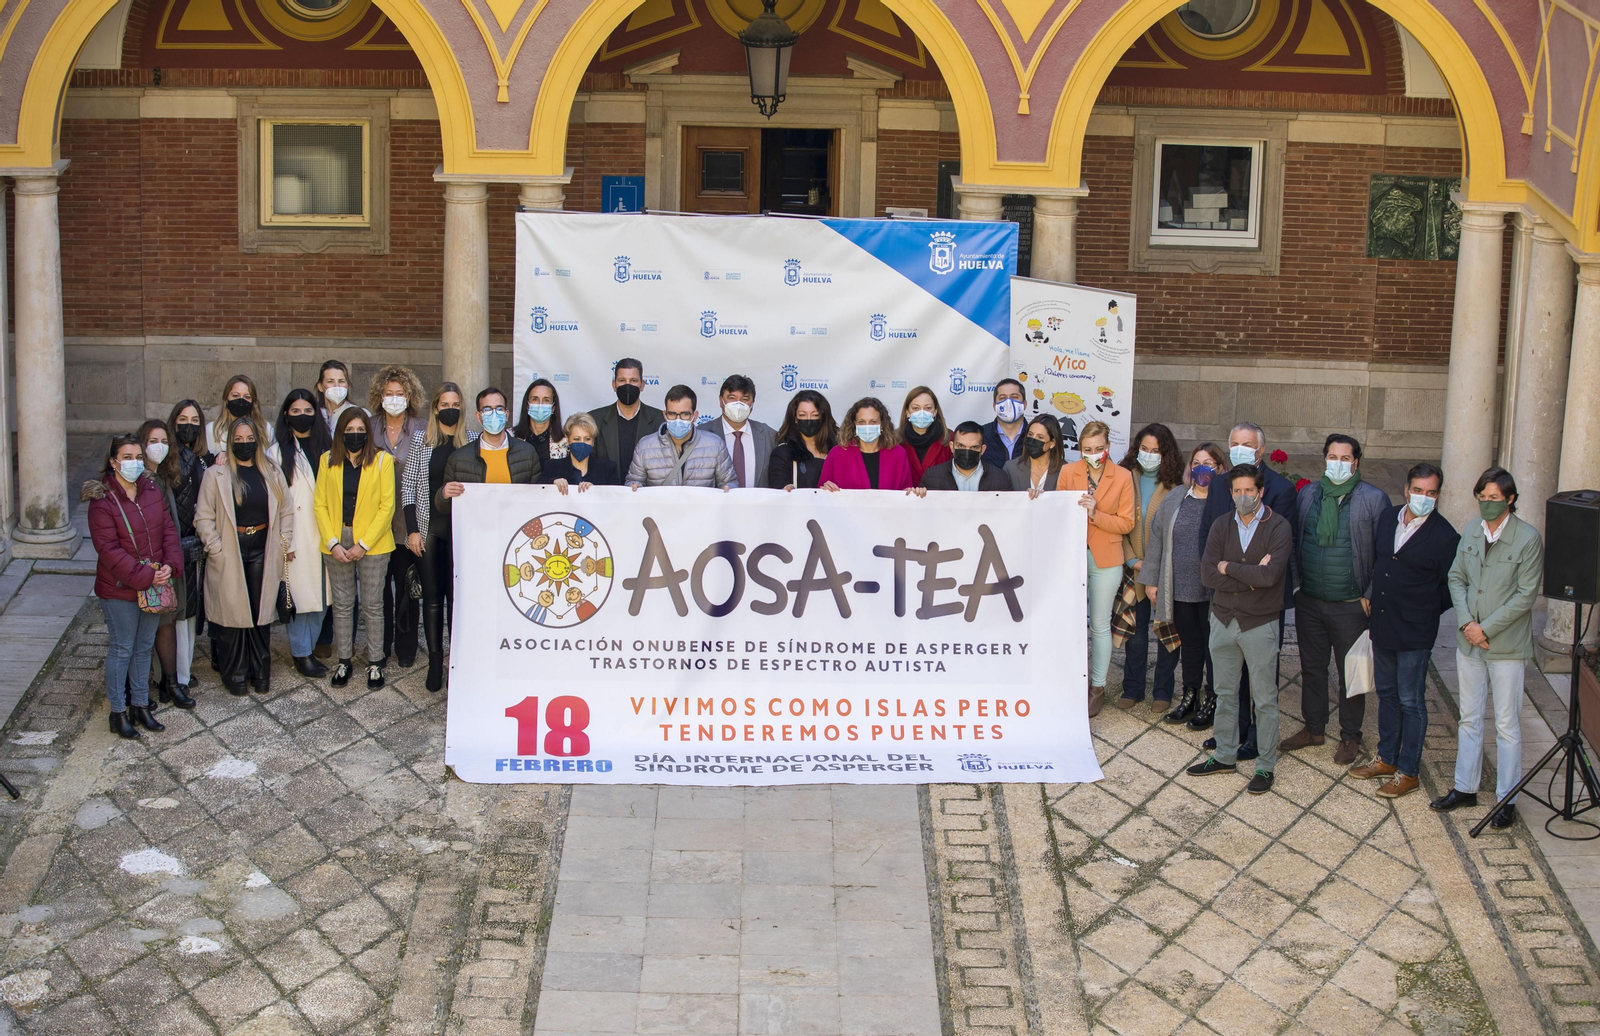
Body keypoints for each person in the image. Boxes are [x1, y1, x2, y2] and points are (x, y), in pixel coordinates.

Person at [1432, 467, 1544, 829]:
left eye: (1494, 498)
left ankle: (1506, 799)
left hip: (1506, 646)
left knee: (1507, 725)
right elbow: (1456, 577)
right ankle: (1465, 788)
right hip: (1470, 643)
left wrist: (1486, 629)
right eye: (1482, 497)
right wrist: (1468, 624)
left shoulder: (1528, 538)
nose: (1487, 503)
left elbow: (1525, 595)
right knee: (1469, 717)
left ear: (1510, 499)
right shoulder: (1470, 530)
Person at [1349, 463, 1458, 799]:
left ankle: (1409, 772)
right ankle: (1387, 759)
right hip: (1382, 623)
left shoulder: (1445, 536)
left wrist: (1422, 610)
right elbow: (1380, 562)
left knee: (1411, 701)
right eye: (1418, 490)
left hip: (1415, 631)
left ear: (1438, 495)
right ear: (1407, 489)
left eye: (1431, 492)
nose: (1424, 497)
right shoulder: (1388, 517)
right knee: (1387, 694)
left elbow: (1451, 587)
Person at [1279, 433, 1388, 765]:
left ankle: (1350, 735)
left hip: (1351, 605)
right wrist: (1297, 586)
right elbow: (1294, 542)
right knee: (1312, 669)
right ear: (1324, 458)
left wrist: (1369, 595)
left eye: (1345, 458)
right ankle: (1313, 728)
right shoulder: (1308, 494)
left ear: (1356, 462)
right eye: (1332, 457)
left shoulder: (1373, 499)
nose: (1337, 463)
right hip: (1311, 601)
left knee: (1350, 672)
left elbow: (1384, 554)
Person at [1185, 464, 1292, 795]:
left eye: (1249, 490)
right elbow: (1207, 575)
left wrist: (1228, 567)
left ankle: (1265, 765)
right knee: (1225, 692)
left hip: (1260, 623)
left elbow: (1270, 577)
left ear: (1260, 492)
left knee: (1265, 699)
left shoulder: (1278, 526)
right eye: (1237, 491)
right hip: (1222, 620)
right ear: (1230, 493)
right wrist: (1249, 575)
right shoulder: (1221, 524)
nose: (1243, 496)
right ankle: (1225, 755)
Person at [1197, 423, 1300, 753]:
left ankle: (1258, 735)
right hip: (1226, 600)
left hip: (1263, 603)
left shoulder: (1281, 489)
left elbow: (1273, 561)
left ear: (1261, 450)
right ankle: (1233, 731)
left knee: (1262, 672)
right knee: (1228, 673)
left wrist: (1229, 567)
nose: (1240, 449)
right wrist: (1222, 570)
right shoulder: (1219, 485)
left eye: (1247, 443)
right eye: (1235, 443)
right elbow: (1208, 538)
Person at [86, 434, 182, 738]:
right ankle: (118, 712)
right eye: (127, 457)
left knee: (143, 647)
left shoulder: (151, 488)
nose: (135, 463)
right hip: (120, 588)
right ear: (113, 462)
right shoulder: (102, 500)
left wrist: (170, 564)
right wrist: (146, 576)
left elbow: (168, 530)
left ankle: (140, 706)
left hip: (153, 583)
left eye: (139, 457)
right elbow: (108, 550)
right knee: (122, 648)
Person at [194, 417, 293, 697]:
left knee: (260, 613)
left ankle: (261, 672)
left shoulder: (272, 471)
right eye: (238, 440)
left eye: (250, 439)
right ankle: (235, 673)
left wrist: (283, 541)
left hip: (264, 547)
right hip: (230, 548)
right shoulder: (215, 474)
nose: (245, 444)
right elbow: (203, 517)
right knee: (232, 614)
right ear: (229, 442)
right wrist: (216, 548)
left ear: (258, 441)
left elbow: (286, 510)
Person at [1143, 444, 1229, 725]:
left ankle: (1214, 698)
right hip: (1179, 587)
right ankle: (1191, 695)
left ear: (1220, 468)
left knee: (1213, 646)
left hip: (1213, 590)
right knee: (1190, 645)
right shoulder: (1177, 496)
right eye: (1196, 462)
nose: (1202, 468)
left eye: (1209, 463)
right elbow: (1157, 537)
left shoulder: (1226, 499)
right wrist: (1152, 580)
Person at [1056, 421, 1136, 717]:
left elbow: (1127, 523)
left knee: (1100, 624)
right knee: (1070, 621)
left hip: (1107, 558)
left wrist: (1095, 513)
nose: (1093, 454)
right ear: (1080, 449)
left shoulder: (1123, 476)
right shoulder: (1068, 472)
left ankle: (1097, 687)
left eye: (1099, 448)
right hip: (1072, 556)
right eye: (1087, 449)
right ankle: (1068, 682)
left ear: (1108, 447)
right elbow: (1058, 512)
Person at [316, 409, 397, 691]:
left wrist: (363, 544)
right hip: (337, 539)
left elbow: (387, 506)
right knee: (342, 603)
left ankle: (375, 662)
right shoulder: (327, 460)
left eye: (360, 430)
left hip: (373, 542)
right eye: (349, 429)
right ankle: (344, 661)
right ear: (340, 432)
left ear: (368, 433)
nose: (355, 435)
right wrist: (332, 543)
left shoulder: (382, 460)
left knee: (373, 605)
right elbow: (320, 504)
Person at [402, 383, 476, 691]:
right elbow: (407, 487)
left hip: (463, 532)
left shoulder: (473, 440)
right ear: (435, 408)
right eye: (445, 404)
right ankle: (435, 663)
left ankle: (458, 662)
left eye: (456, 404)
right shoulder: (421, 441)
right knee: (432, 599)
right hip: (429, 529)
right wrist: (412, 530)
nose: (450, 409)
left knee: (458, 600)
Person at [1116, 423, 1185, 711]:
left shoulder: (1177, 487)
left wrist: (1155, 566)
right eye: (1144, 449)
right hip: (1132, 569)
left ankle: (1163, 691)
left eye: (1155, 451)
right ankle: (1132, 688)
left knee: (1167, 631)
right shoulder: (1124, 478)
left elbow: (1177, 532)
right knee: (1135, 633)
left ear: (1166, 454)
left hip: (1164, 572)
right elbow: (1116, 525)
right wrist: (1133, 560)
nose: (1148, 455)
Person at [269, 389, 332, 679]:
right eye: (296, 411)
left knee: (322, 598)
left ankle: (308, 649)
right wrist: (285, 542)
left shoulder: (328, 447)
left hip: (327, 533)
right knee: (298, 599)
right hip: (296, 535)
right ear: (286, 415)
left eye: (308, 411)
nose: (302, 416)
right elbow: (275, 503)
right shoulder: (276, 453)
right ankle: (301, 653)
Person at [369, 366, 429, 669]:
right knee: (378, 591)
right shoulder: (368, 428)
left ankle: (406, 647)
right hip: (375, 525)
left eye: (400, 393)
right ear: (380, 397)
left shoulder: (422, 429)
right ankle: (379, 647)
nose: (394, 398)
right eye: (389, 393)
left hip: (408, 524)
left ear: (410, 396)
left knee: (407, 588)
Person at [136, 420, 195, 710]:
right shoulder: (139, 480)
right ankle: (140, 690)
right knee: (148, 628)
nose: (158, 447)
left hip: (166, 562)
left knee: (168, 621)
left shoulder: (163, 476)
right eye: (152, 441)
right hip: (146, 565)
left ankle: (169, 683)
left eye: (163, 441)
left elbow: (169, 525)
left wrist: (171, 562)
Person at [436, 388, 542, 524]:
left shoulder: (527, 453)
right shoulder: (459, 459)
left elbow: (539, 498)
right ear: (478, 416)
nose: (494, 414)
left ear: (507, 414)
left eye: (499, 408)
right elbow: (444, 508)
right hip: (476, 532)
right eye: (487, 409)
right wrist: (444, 495)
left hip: (516, 531)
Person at [165, 400, 210, 698]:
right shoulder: (170, 460)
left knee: (190, 612)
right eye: (183, 419)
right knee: (175, 613)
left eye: (194, 420)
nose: (188, 425)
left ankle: (183, 670)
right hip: (175, 548)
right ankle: (174, 675)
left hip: (194, 547)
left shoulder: (200, 459)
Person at [627, 385, 737, 489]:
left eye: (685, 414)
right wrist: (634, 486)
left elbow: (729, 483)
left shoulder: (715, 446)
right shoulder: (645, 447)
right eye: (672, 414)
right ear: (665, 415)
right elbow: (633, 482)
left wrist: (728, 489)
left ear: (695, 416)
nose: (678, 420)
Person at [588, 358, 663, 481]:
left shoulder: (660, 420)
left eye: (633, 381)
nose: (627, 386)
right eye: (622, 380)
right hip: (606, 491)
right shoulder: (594, 420)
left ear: (642, 385)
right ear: (614, 385)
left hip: (645, 491)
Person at [820, 397, 916, 491]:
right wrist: (826, 488)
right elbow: (821, 492)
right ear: (854, 424)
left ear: (882, 424)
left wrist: (911, 492)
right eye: (861, 422)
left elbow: (906, 493)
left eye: (873, 422)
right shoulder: (837, 454)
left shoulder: (898, 454)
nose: (867, 426)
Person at [714, 375, 774, 489]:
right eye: (732, 398)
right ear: (721, 401)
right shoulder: (703, 434)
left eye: (745, 399)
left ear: (752, 403)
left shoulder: (769, 436)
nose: (738, 405)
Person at [768, 391, 836, 490]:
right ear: (795, 418)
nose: (809, 420)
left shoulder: (837, 451)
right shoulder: (782, 453)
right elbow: (777, 487)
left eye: (815, 415)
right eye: (802, 415)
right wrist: (785, 489)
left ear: (823, 418)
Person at [916, 422, 1010, 492]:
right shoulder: (932, 476)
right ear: (952, 446)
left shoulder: (1000, 478)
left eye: (974, 447)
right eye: (961, 446)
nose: (967, 451)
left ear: (983, 449)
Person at [544, 413, 620, 490]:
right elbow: (539, 490)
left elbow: (616, 494)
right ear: (567, 439)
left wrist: (596, 491)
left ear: (593, 440)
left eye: (587, 439)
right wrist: (552, 483)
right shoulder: (551, 467)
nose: (582, 443)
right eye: (577, 439)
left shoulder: (608, 469)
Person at [205, 375, 270, 460]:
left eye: (247, 397)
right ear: (226, 399)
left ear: (253, 401)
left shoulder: (265, 429)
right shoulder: (210, 430)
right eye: (235, 396)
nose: (241, 401)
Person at [898, 387, 951, 487]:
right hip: (905, 496)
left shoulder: (950, 439)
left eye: (928, 408)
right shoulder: (895, 440)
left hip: (939, 496)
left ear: (935, 411)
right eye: (916, 408)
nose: (922, 413)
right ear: (907, 412)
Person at [514, 378, 568, 472]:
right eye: (535, 399)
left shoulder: (565, 442)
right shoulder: (511, 437)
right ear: (527, 406)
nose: (540, 404)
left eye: (546, 400)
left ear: (553, 408)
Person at [1006, 415, 1064, 495]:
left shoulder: (1064, 470)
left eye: (1040, 437)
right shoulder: (1011, 468)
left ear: (1052, 443)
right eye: (1030, 434)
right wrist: (1024, 498)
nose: (1033, 440)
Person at [981, 379, 1028, 470]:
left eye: (1014, 397)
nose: (1008, 402)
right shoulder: (981, 435)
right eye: (1002, 398)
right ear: (994, 406)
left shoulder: (1035, 437)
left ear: (1024, 404)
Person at [318, 360, 363, 432]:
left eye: (341, 381)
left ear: (347, 385)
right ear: (320, 386)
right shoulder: (313, 413)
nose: (337, 386)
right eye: (330, 381)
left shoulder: (360, 414)